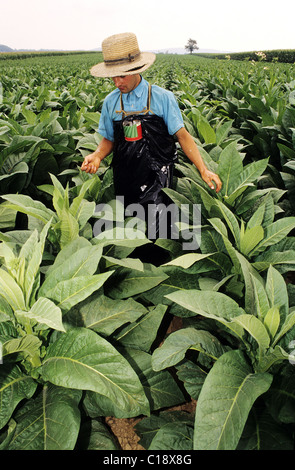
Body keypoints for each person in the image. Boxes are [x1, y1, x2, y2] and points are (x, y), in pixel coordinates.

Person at [81, 32, 222, 246]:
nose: (117, 82)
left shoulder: (162, 98)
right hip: (125, 176)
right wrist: (97, 156)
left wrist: (203, 168)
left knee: (161, 231)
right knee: (130, 231)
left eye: (123, 76)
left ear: (136, 70)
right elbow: (108, 140)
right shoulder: (111, 102)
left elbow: (182, 137)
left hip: (158, 176)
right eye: (113, 76)